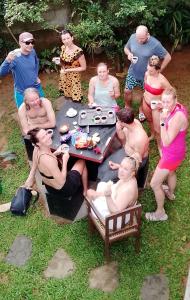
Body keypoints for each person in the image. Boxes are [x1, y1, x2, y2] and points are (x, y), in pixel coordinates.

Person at [145, 88, 188, 221]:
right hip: (176, 152)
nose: (165, 105)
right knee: (171, 172)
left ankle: (160, 213)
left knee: (154, 184)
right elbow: (167, 105)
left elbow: (167, 141)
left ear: (175, 100)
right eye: (163, 101)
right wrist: (162, 106)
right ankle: (170, 193)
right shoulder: (177, 107)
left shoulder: (178, 117)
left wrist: (163, 121)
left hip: (172, 154)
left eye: (168, 102)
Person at [124, 25, 171, 121]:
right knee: (127, 91)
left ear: (148, 35)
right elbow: (126, 48)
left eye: (142, 39)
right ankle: (128, 107)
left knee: (144, 93)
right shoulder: (133, 37)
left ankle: (141, 110)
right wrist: (129, 54)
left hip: (146, 75)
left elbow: (168, 57)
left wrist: (158, 70)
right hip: (133, 71)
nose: (139, 41)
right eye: (138, 38)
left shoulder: (155, 44)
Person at [25, 128, 88, 199]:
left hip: (50, 187)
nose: (48, 136)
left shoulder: (36, 150)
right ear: (38, 143)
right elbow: (62, 181)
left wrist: (56, 152)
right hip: (64, 189)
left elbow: (45, 164)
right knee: (82, 161)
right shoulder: (48, 160)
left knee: (60, 159)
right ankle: (85, 192)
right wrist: (65, 161)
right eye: (43, 137)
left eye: (46, 133)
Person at [98, 107, 149, 188]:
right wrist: (119, 130)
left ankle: (112, 188)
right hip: (125, 151)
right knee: (102, 169)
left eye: (118, 120)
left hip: (133, 160)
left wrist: (120, 166)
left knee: (106, 179)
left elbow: (137, 161)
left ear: (123, 122)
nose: (117, 121)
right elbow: (123, 141)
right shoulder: (133, 122)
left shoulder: (140, 139)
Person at [87, 157, 138, 228]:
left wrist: (108, 196)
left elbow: (115, 213)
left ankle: (94, 204)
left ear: (132, 173)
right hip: (117, 203)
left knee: (89, 194)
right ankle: (96, 196)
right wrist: (99, 194)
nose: (121, 171)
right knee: (100, 185)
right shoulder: (128, 177)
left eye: (125, 169)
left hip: (114, 220)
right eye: (121, 166)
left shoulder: (127, 190)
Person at [0, 32, 44, 108]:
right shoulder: (14, 57)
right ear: (20, 43)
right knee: (25, 113)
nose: (30, 45)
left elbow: (36, 63)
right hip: (22, 92)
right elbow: (1, 73)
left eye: (32, 42)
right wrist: (7, 60)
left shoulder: (32, 51)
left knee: (42, 107)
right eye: (27, 42)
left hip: (36, 87)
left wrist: (36, 76)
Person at [142, 55, 171, 141]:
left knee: (158, 129)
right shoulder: (147, 74)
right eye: (148, 69)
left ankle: (160, 146)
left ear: (158, 70)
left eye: (151, 71)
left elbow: (171, 93)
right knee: (149, 120)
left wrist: (163, 104)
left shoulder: (162, 81)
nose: (148, 72)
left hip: (156, 106)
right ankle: (152, 135)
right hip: (145, 102)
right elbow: (145, 85)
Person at [58, 29, 86, 102]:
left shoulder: (78, 52)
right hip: (64, 75)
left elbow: (83, 67)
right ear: (62, 41)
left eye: (68, 38)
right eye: (64, 39)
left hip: (74, 77)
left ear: (72, 38)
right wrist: (59, 61)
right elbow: (64, 60)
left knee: (75, 97)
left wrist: (67, 70)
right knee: (67, 94)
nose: (66, 41)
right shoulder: (63, 47)